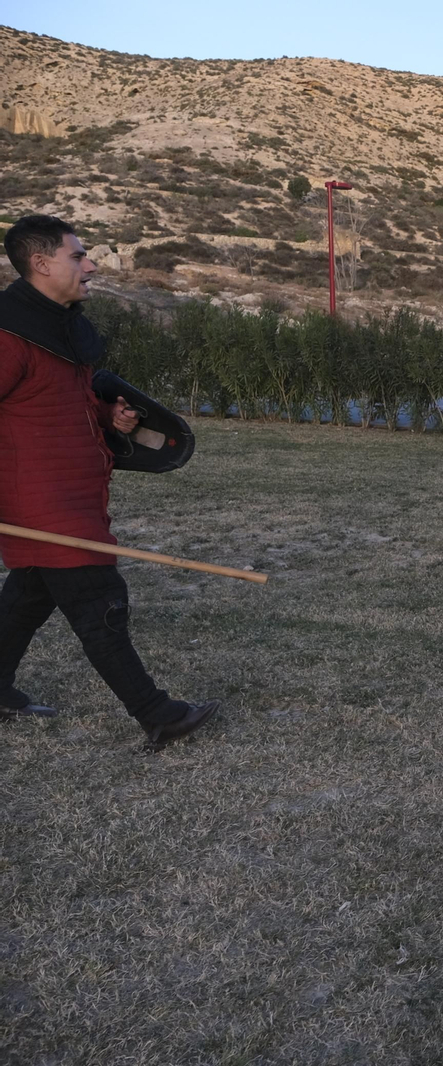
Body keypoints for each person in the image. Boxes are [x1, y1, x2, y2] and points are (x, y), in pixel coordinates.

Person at [0, 214, 219, 746]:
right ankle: (159, 715)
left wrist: (108, 417)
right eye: (78, 256)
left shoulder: (56, 325)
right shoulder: (7, 338)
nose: (91, 265)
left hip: (76, 492)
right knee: (100, 601)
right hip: (43, 504)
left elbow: (56, 403)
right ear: (41, 263)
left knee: (28, 598)